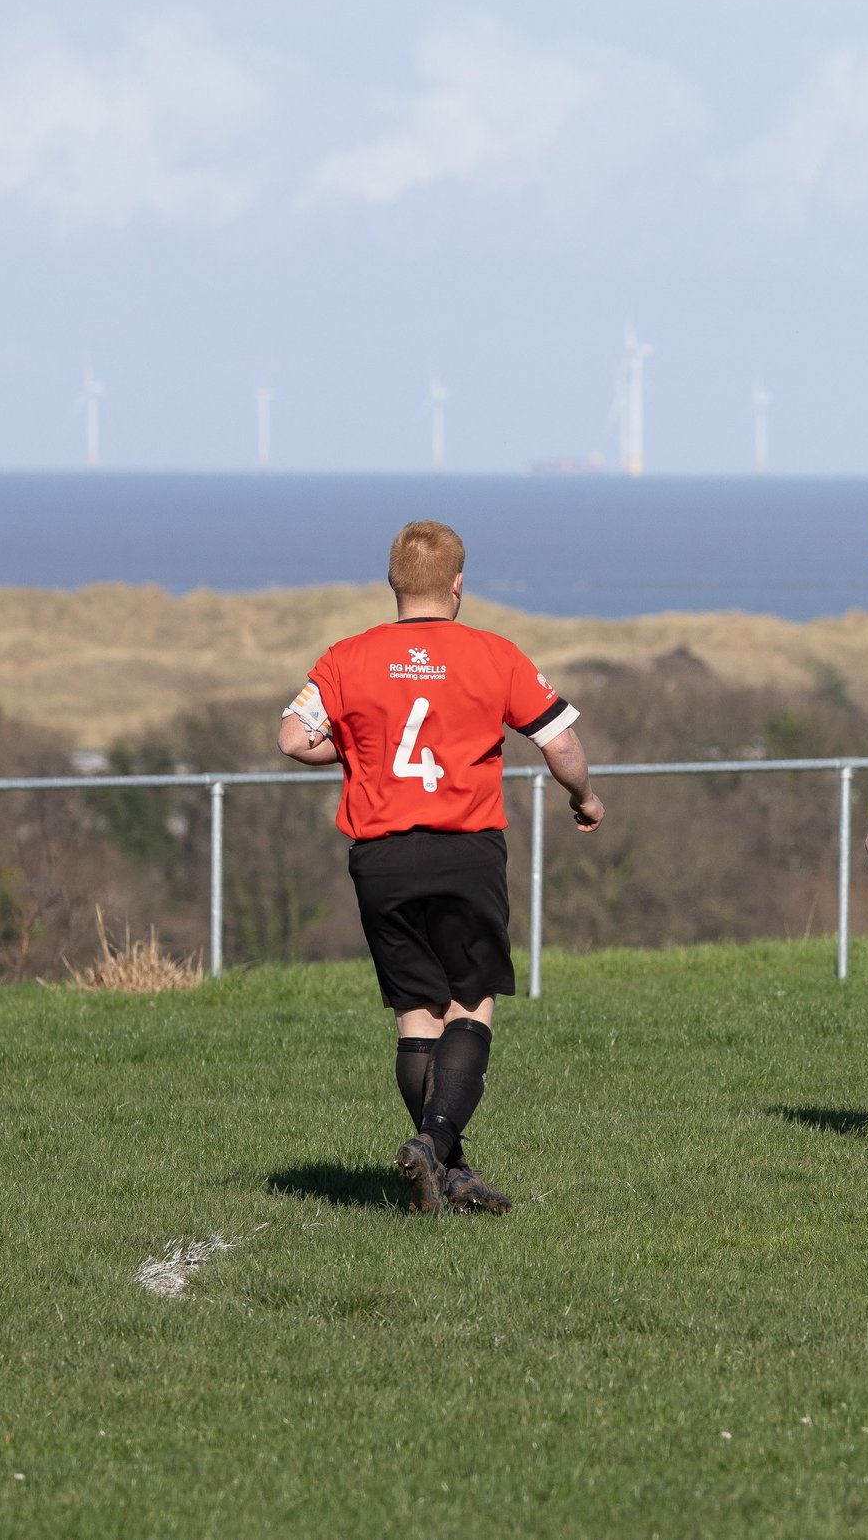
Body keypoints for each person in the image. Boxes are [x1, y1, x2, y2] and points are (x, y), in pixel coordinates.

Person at [277, 521, 604, 1215]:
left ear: (393, 584)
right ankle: (431, 1145)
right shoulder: (494, 654)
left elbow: (292, 737)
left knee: (417, 1017)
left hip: (381, 858)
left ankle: (449, 1173)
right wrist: (584, 795)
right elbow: (562, 745)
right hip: (465, 849)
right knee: (470, 1003)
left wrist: (356, 755)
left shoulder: (346, 657)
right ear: (458, 585)